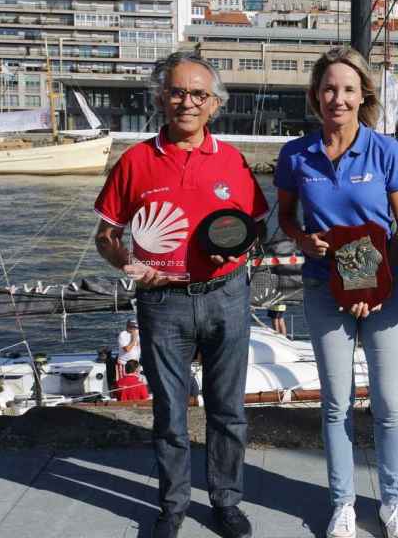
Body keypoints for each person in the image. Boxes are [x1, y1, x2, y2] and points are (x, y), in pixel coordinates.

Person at [94, 49, 268, 538]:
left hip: (227, 296)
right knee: (169, 412)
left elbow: (255, 226)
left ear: (215, 104)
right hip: (161, 302)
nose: (187, 102)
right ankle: (172, 505)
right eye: (176, 92)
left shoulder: (233, 161)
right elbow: (106, 236)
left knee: (228, 410)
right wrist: (128, 264)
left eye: (198, 94)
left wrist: (237, 248)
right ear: (160, 98)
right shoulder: (135, 161)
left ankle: (226, 501)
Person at [274, 47, 398, 538]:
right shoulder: (296, 155)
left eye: (348, 89)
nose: (338, 98)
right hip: (322, 287)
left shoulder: (385, 152)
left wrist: (373, 283)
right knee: (336, 404)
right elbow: (286, 216)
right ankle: (343, 503)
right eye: (330, 89)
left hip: (383, 291)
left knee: (389, 405)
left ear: (363, 96)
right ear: (316, 95)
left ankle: (394, 502)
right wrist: (300, 238)